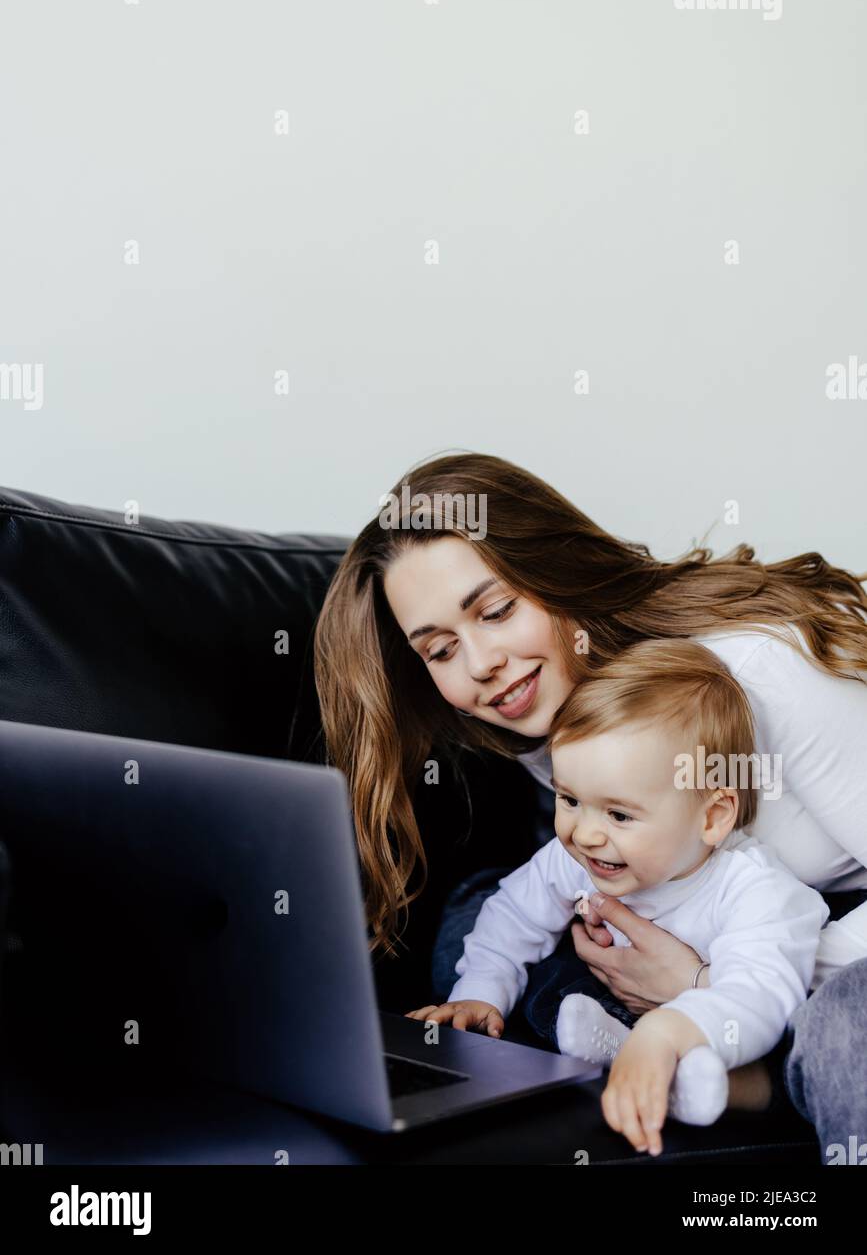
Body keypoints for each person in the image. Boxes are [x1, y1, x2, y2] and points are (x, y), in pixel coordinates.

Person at [313, 450, 867, 1160]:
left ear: (555, 574)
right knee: (473, 922)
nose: (480, 663)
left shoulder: (762, 672)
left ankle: (741, 1069)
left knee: (843, 1024)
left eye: (495, 611)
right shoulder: (542, 719)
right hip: (708, 915)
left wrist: (703, 980)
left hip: (830, 933)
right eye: (441, 649)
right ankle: (694, 1052)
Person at [405, 639, 829, 1157]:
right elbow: (513, 915)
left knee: (790, 1042)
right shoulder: (579, 855)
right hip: (608, 1004)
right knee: (538, 979)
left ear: (713, 816)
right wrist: (480, 993)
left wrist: (669, 1030)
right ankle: (646, 1062)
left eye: (619, 815)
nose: (584, 834)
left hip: (721, 1023)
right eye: (569, 800)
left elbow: (760, 994)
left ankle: (701, 1076)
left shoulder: (757, 890)